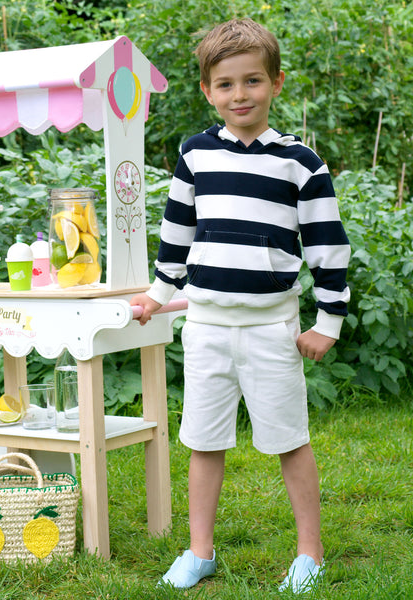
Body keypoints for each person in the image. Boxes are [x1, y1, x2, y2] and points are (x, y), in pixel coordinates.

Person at [130, 17, 350, 594]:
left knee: (289, 440)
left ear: (276, 83)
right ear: (208, 90)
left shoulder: (299, 163)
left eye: (253, 81)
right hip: (205, 328)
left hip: (272, 331)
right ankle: (199, 551)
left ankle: (310, 552)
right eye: (226, 85)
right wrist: (157, 295)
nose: (240, 95)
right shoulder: (196, 156)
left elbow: (327, 245)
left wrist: (327, 322)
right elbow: (177, 234)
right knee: (204, 441)